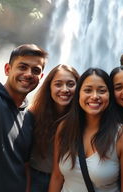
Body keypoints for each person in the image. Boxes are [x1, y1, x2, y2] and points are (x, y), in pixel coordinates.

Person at [48, 68, 123, 192]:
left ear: (110, 95)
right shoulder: (64, 128)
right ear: (79, 94)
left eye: (101, 91)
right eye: (88, 90)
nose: (94, 96)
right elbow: (57, 176)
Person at [0, 44, 48, 192]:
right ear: (7, 69)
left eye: (35, 70)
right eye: (22, 67)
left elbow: (25, 165)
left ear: (40, 77)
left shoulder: (29, 118)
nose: (28, 74)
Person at [29, 64, 79, 192]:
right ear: (49, 87)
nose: (65, 89)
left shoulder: (83, 119)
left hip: (70, 182)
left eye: (71, 84)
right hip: (35, 178)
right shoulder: (34, 115)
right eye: (58, 84)